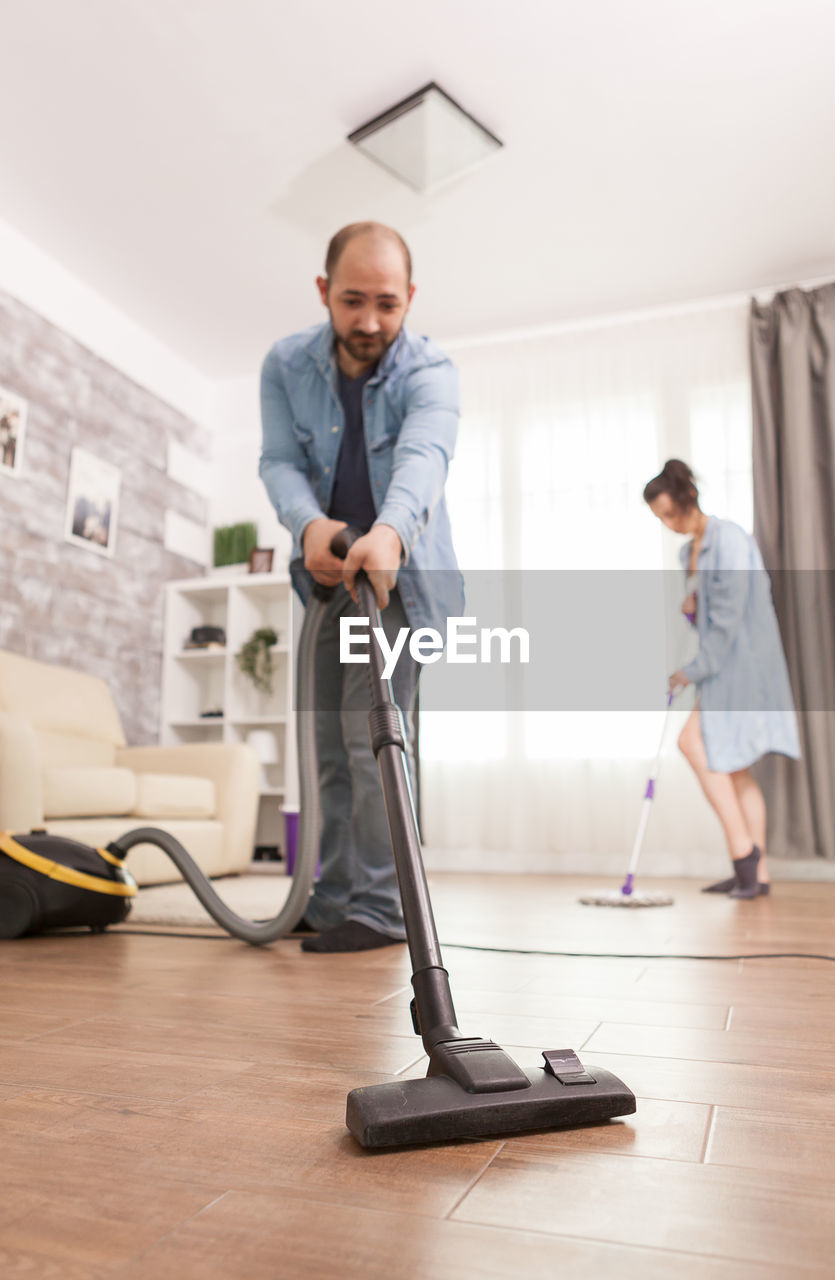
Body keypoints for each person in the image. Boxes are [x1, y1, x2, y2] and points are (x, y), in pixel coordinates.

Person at [259, 222, 463, 952]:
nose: (370, 321)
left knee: (366, 733)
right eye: (352, 301)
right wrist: (309, 524)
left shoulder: (430, 373)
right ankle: (333, 893)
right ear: (323, 292)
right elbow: (280, 461)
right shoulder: (285, 364)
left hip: (396, 574)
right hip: (323, 574)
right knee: (323, 738)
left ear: (409, 298)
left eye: (387, 303)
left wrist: (390, 529)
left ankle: (379, 907)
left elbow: (424, 458)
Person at [644, 459, 801, 899]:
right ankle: (757, 873)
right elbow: (710, 618)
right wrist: (693, 612)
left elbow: (730, 619)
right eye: (659, 519)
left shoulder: (729, 539)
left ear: (687, 499)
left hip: (744, 666)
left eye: (669, 514)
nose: (668, 524)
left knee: (692, 743)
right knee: (734, 769)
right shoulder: (685, 552)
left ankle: (743, 853)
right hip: (721, 667)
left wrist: (688, 671)